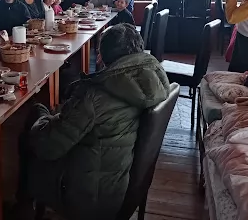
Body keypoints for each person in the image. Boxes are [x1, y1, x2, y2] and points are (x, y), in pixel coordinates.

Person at [17, 24, 169, 220]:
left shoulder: (95, 96)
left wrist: (44, 119)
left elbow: (47, 146)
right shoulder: (155, 80)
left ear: (102, 57)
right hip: (120, 183)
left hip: (89, 196)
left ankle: (22, 200)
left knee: (36, 113)